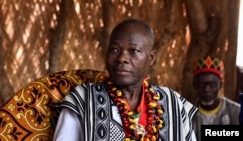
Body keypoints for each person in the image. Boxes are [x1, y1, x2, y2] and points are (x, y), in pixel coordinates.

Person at [53, 18, 198, 141]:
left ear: (151, 58)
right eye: (114, 50)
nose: (122, 58)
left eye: (133, 51)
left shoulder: (173, 103)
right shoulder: (84, 99)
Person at [192, 56, 241, 141]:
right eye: (201, 84)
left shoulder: (236, 112)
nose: (207, 89)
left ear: (220, 86)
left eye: (213, 84)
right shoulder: (184, 113)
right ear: (195, 85)